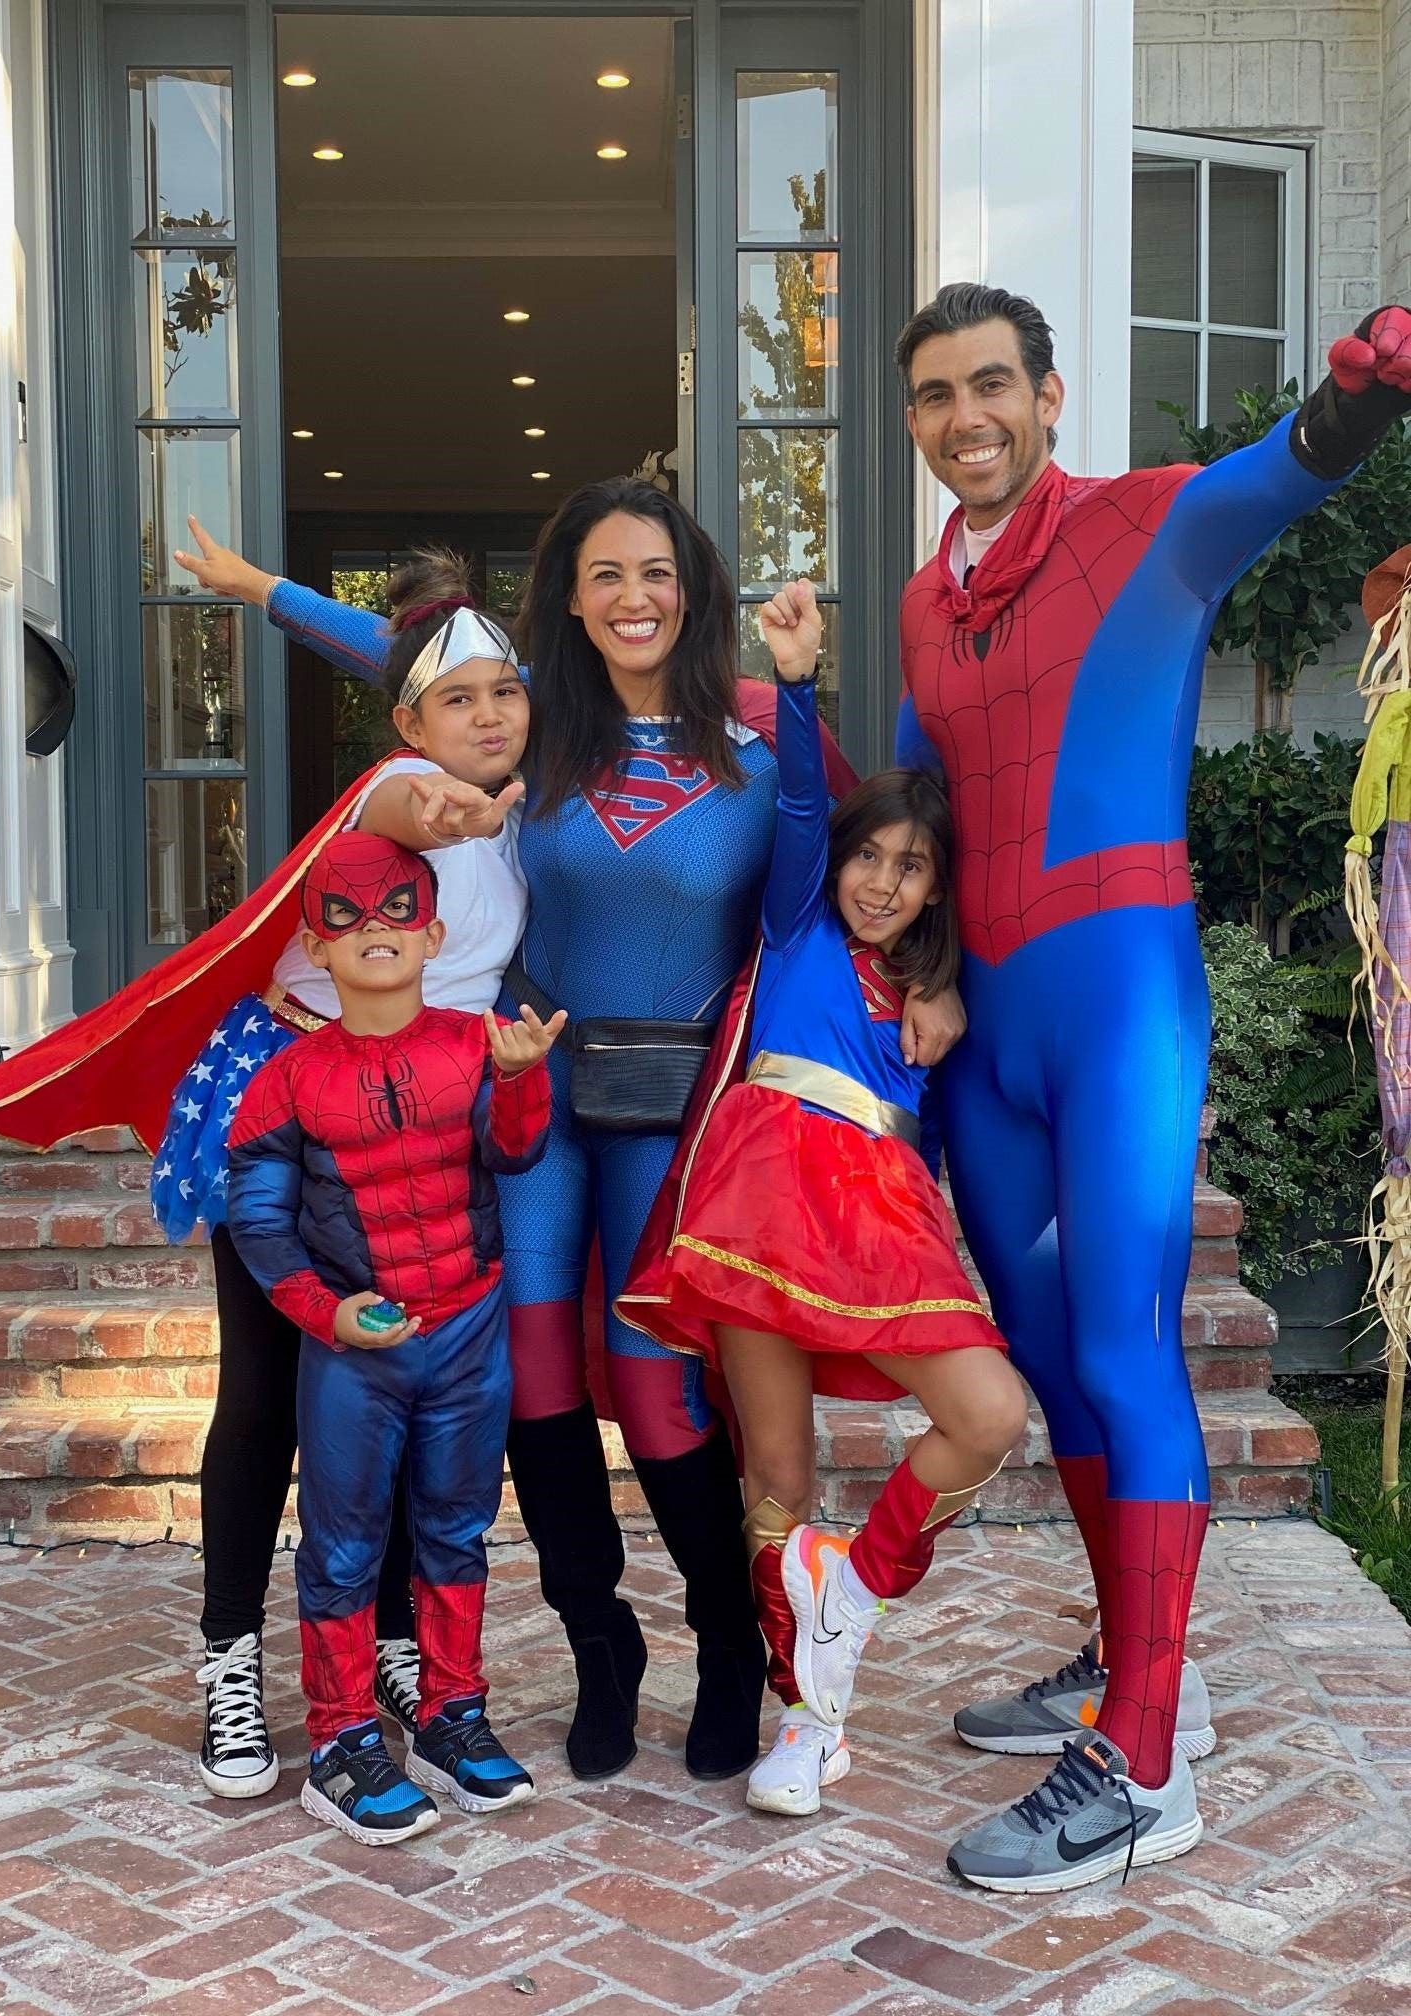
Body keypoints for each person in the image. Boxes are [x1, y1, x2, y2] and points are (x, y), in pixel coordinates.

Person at [211, 478, 921, 1786]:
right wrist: (268, 594)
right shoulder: (534, 726)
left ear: (691, 590)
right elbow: (406, 659)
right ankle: (602, 1650)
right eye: (605, 575)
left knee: (654, 1389)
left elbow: (854, 880)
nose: (633, 597)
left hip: (670, 1117)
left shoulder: (764, 748)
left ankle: (727, 1646)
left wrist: (930, 981)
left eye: (655, 572)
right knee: (533, 1383)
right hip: (531, 1102)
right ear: (572, 601)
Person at [890, 284, 1411, 1891]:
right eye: (936, 395)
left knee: (1123, 1348)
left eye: (993, 384)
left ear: (1048, 395)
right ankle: (1132, 1661)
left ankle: (1146, 1767)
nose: (967, 417)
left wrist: (1366, 391)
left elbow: (1290, 467)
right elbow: (917, 807)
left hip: (1117, 1000)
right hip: (987, 1041)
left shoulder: (1147, 528)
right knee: (1055, 1361)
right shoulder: (923, 601)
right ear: (914, 422)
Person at [0, 542, 534, 1804]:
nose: (486, 716)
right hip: (297, 1107)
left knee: (394, 1389)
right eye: (456, 700)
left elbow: (398, 651)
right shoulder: (404, 787)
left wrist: (262, 595)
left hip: (422, 1119)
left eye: (505, 694)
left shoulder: (523, 804)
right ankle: (231, 1663)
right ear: (408, 725)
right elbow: (410, 805)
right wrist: (449, 807)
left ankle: (393, 1648)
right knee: (266, 1398)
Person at [616, 578, 1022, 1818]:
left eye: (913, 868)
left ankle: (854, 1587)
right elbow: (799, 802)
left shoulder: (939, 1001)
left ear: (940, 888)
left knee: (987, 1413)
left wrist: (944, 1000)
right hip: (759, 1209)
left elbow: (949, 1132)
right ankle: (811, 1721)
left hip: (883, 1220)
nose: (883, 883)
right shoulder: (797, 929)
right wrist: (797, 687)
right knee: (777, 1485)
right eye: (869, 857)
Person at [226, 829, 560, 1846]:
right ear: (314, 945)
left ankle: (452, 1714)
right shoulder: (287, 1079)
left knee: (456, 1530)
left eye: (398, 910)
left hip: (467, 1328)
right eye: (346, 913)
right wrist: (323, 1312)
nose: (376, 928)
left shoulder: (474, 1043)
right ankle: (338, 1741)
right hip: (353, 1353)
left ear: (435, 935)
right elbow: (258, 1218)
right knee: (342, 1545)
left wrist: (523, 1079)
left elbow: (514, 1151)